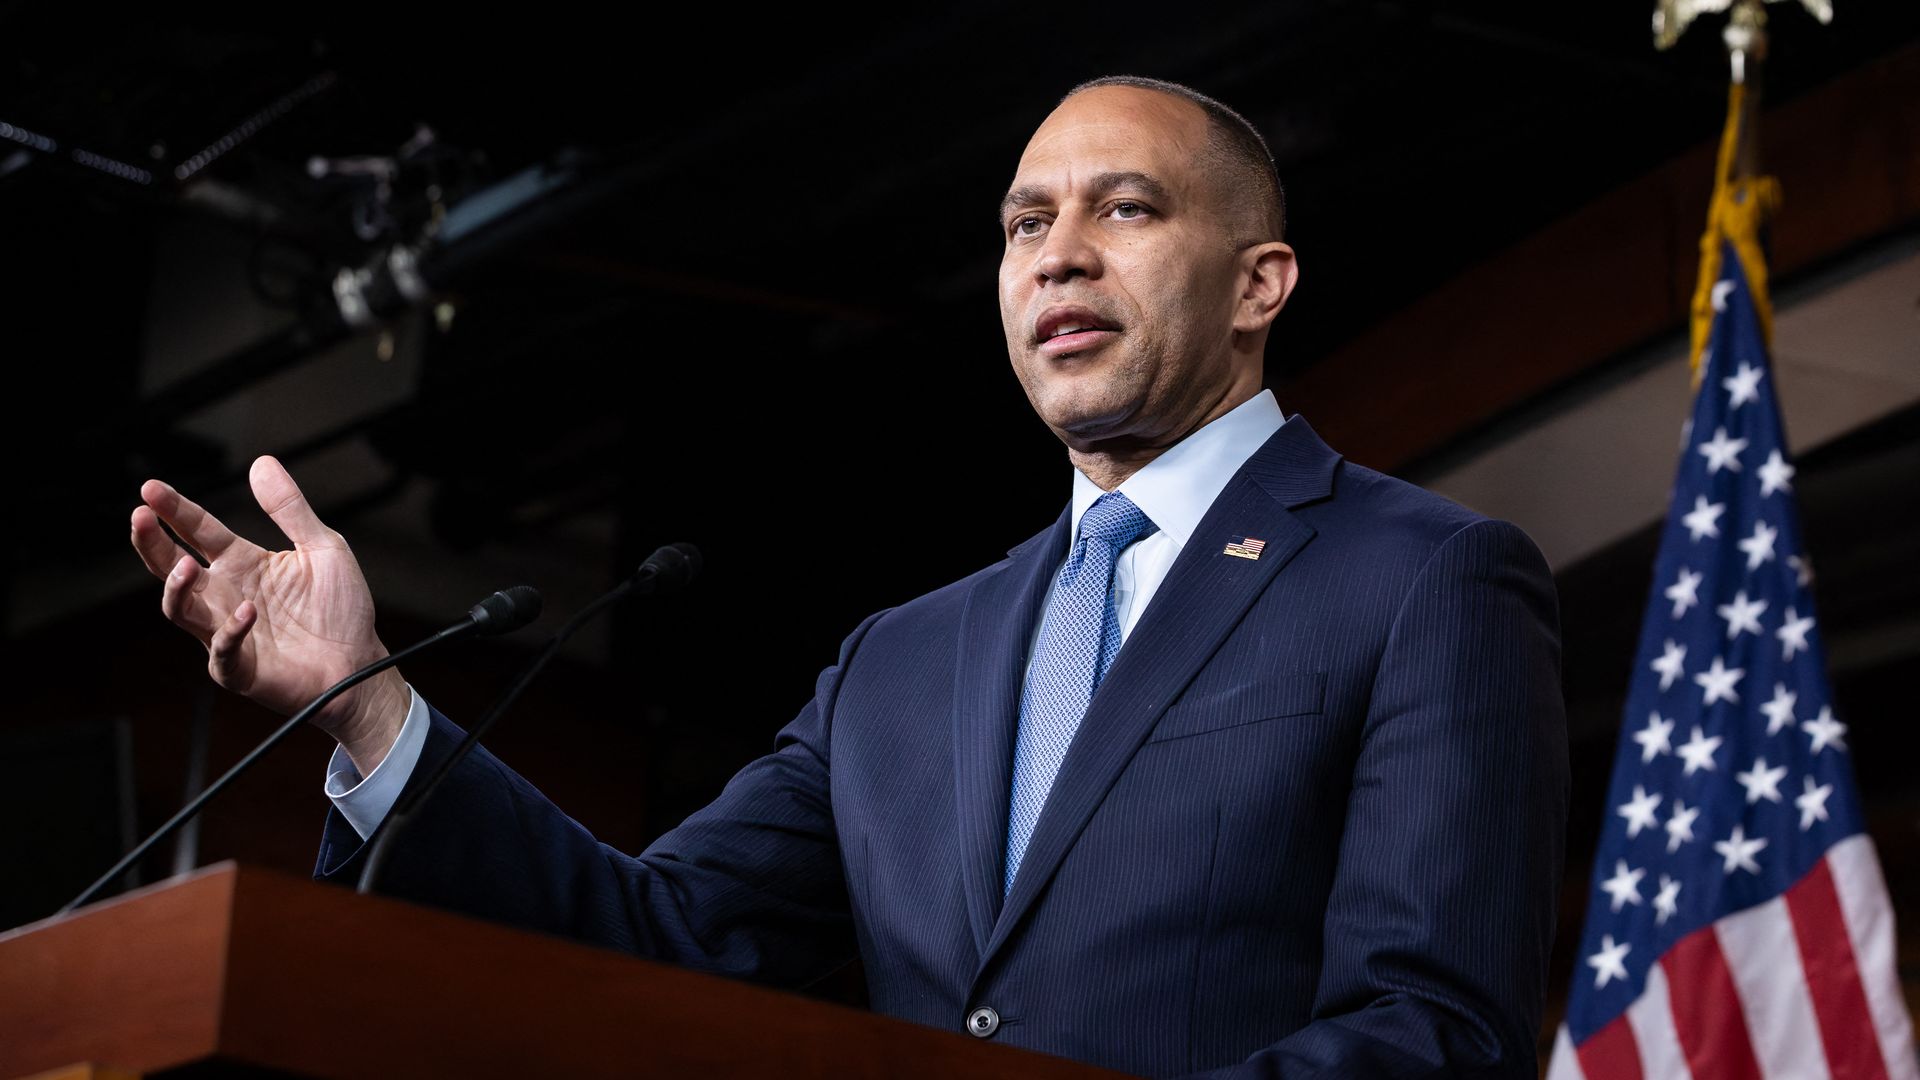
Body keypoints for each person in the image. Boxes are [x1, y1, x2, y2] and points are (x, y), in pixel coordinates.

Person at [130, 76, 1569, 1077]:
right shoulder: (906, 660)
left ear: (1261, 282)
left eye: (1125, 211)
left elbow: (1436, 1030)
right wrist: (365, 712)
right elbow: (659, 940)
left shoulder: (1422, 580)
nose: (1058, 255)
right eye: (1023, 224)